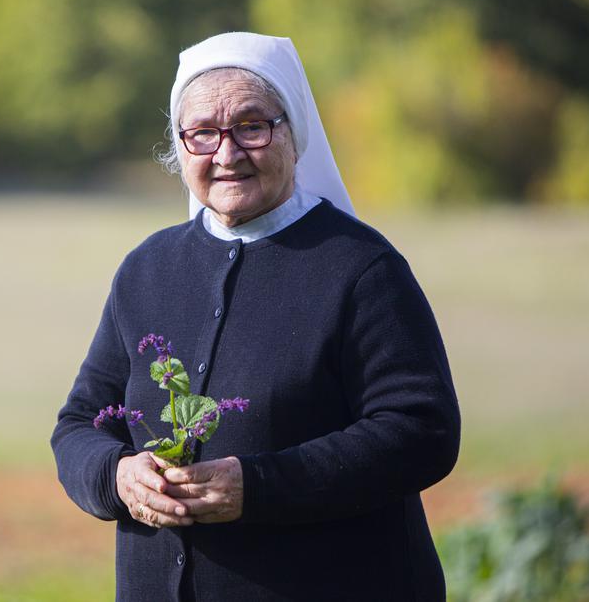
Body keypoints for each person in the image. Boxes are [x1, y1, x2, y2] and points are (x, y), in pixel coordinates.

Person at [50, 32, 461, 602]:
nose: (226, 153)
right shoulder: (145, 270)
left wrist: (260, 487)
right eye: (202, 133)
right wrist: (118, 477)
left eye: (251, 126)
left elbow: (422, 429)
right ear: (180, 146)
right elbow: (79, 425)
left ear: (294, 135)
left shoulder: (362, 269)